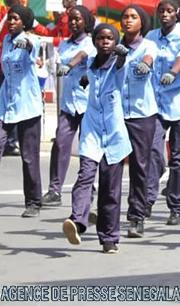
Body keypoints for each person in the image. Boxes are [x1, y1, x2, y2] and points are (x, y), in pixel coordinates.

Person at [61, 23, 130, 254]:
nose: (106, 42)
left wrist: (122, 56)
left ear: (116, 41)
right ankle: (78, 222)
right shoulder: (90, 64)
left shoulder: (119, 65)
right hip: (91, 132)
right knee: (84, 178)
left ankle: (109, 237)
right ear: (95, 42)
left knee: (110, 190)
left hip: (114, 135)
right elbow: (86, 69)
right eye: (101, 38)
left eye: (110, 38)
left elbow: (120, 65)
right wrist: (82, 80)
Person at [148, 0, 180, 227]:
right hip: (156, 104)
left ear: (177, 14)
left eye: (170, 11)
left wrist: (172, 72)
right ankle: (146, 200)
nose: (165, 15)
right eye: (162, 11)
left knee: (179, 158)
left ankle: (176, 207)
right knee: (152, 151)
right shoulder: (151, 37)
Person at [0, 5, 46, 218]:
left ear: (24, 22)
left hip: (28, 108)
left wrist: (25, 44)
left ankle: (34, 201)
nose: (11, 22)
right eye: (9, 18)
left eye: (15, 19)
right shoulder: (6, 41)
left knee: (28, 157)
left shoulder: (30, 40)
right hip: (6, 106)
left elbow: (31, 46)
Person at [46, 6, 96, 207]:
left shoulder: (92, 43)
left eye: (78, 19)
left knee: (87, 147)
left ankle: (88, 187)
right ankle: (54, 190)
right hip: (68, 104)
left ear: (85, 21)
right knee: (60, 143)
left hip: (87, 104)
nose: (74, 23)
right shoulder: (65, 45)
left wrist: (70, 66)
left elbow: (84, 55)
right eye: (71, 20)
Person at [118, 5, 159, 239]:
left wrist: (146, 64)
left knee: (139, 166)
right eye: (125, 17)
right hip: (118, 113)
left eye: (133, 17)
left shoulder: (148, 45)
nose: (128, 20)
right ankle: (109, 211)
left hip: (142, 114)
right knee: (111, 165)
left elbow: (149, 57)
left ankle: (137, 216)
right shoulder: (116, 46)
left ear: (141, 22)